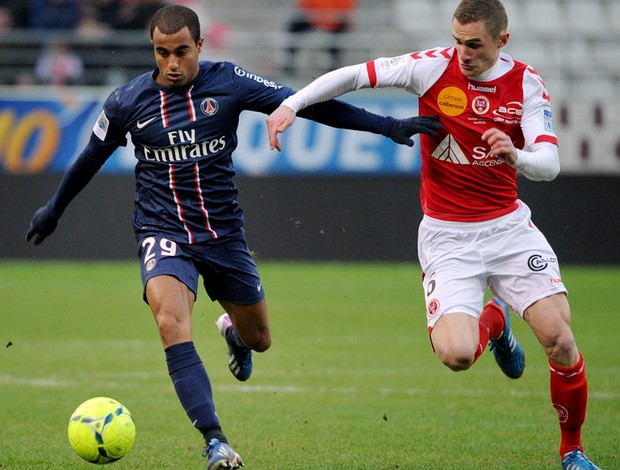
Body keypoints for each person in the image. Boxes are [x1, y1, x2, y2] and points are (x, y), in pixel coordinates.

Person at [25, 5, 442, 469]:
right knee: (170, 324)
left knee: (260, 338)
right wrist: (54, 208)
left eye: (182, 51)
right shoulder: (127, 101)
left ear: (200, 46)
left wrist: (385, 125)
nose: (173, 63)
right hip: (161, 230)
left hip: (223, 234)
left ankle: (234, 335)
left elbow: (305, 101)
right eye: (162, 53)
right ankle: (215, 440)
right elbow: (90, 156)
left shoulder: (228, 82)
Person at [266, 0, 600, 468]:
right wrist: (292, 104)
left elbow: (550, 164)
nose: (462, 53)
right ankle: (495, 323)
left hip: (508, 230)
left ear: (501, 41)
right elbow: (355, 75)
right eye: (457, 41)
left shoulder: (525, 83)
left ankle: (573, 451)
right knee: (457, 355)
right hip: (448, 237)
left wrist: (515, 156)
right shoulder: (430, 69)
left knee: (560, 339)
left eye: (474, 44)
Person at [285, 0, 357, 75]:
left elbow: (345, 14)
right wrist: (318, 17)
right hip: (313, 20)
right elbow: (304, 9)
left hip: (334, 23)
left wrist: (327, 18)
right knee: (294, 28)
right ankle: (289, 62)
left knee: (336, 38)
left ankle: (335, 67)